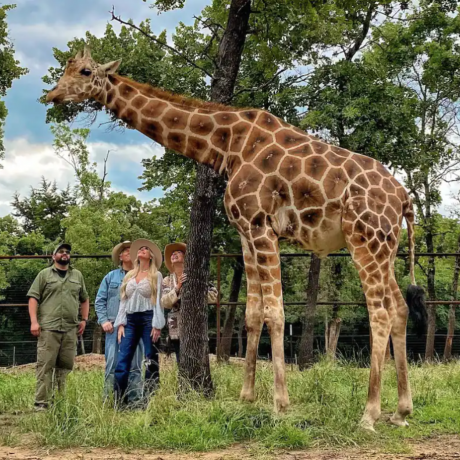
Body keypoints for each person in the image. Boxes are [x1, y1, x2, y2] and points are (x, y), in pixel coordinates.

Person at [27, 243, 89, 411]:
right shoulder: (44, 275)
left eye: (67, 252)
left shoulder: (77, 275)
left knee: (65, 366)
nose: (65, 254)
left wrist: (84, 319)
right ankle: (41, 402)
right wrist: (34, 321)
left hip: (70, 329)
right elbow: (33, 298)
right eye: (61, 252)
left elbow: (84, 298)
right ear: (53, 256)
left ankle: (60, 400)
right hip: (48, 329)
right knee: (45, 365)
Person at [113, 239, 165, 408]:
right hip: (130, 320)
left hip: (148, 318)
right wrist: (120, 323)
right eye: (140, 248)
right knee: (123, 360)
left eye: (146, 249)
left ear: (151, 256)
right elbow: (123, 301)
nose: (142, 250)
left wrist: (157, 324)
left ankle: (149, 402)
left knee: (150, 358)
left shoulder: (156, 275)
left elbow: (158, 301)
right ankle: (119, 402)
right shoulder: (129, 275)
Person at [95, 241, 143, 404]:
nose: (130, 252)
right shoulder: (110, 277)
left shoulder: (144, 276)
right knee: (113, 364)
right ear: (120, 256)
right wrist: (104, 321)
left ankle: (135, 401)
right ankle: (111, 400)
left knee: (135, 364)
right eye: (126, 250)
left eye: (133, 250)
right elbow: (100, 300)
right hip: (114, 327)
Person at [161, 242, 218, 364]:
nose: (174, 254)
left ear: (187, 258)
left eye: (179, 252)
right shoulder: (167, 280)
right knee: (180, 359)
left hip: (196, 323)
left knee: (198, 359)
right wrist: (178, 287)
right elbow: (164, 302)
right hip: (176, 326)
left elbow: (213, 297)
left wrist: (196, 287)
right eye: (172, 254)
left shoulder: (198, 275)